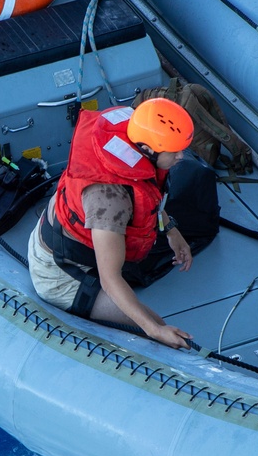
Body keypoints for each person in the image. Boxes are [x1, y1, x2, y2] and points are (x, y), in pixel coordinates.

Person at [27, 98, 220, 350]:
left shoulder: (135, 135)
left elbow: (148, 192)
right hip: (59, 273)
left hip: (74, 234)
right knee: (157, 329)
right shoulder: (110, 200)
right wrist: (154, 330)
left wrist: (171, 230)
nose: (182, 157)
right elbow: (110, 278)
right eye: (175, 151)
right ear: (147, 149)